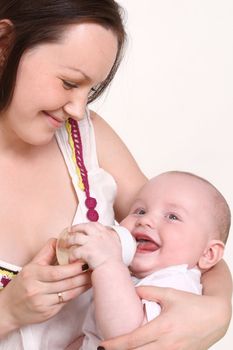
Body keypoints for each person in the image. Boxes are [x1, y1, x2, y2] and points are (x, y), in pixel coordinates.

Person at [0, 1, 231, 349]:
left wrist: (218, 308)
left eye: (90, 90)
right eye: (68, 82)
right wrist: (7, 313)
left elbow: (189, 231)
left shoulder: (87, 137)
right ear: (4, 43)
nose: (79, 109)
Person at [66, 170, 231, 349]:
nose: (146, 220)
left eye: (172, 217)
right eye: (140, 211)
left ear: (208, 254)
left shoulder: (178, 283)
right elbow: (93, 336)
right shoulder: (133, 277)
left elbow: (125, 335)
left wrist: (108, 264)